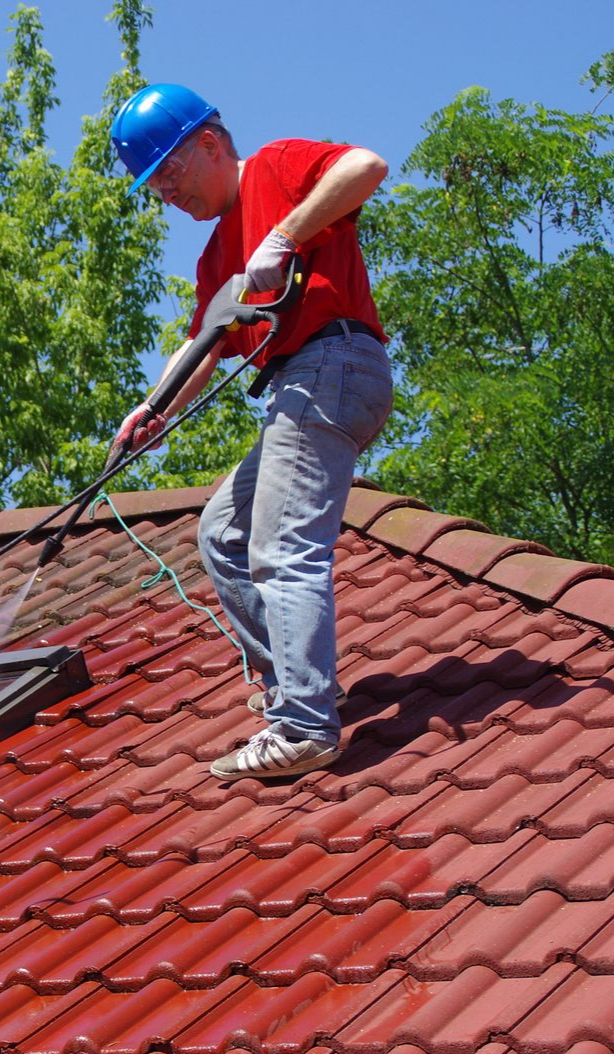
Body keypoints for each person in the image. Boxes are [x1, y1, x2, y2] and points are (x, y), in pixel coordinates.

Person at [110, 83, 393, 781]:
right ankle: (293, 691)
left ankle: (303, 724)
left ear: (208, 144)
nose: (165, 194)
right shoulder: (215, 258)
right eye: (153, 186)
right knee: (222, 536)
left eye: (167, 173)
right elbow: (207, 343)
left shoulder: (272, 166)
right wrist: (153, 409)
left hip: (331, 362)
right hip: (304, 383)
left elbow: (366, 165)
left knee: (279, 545)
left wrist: (284, 235)